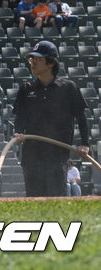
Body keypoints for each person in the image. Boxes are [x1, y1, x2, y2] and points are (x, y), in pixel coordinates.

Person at [13, 41, 90, 197]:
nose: (33, 62)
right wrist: (18, 132)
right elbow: (20, 116)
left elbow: (81, 117)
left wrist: (85, 144)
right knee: (34, 200)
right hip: (31, 154)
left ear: (50, 63)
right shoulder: (26, 89)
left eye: (38, 59)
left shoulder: (68, 88)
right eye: (31, 59)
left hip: (57, 155)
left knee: (55, 200)